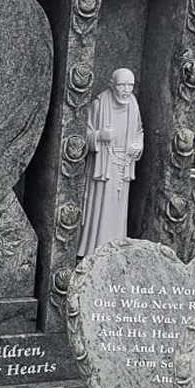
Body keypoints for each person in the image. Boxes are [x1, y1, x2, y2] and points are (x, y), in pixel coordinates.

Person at [76, 68, 143, 259]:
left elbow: (139, 131)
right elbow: (82, 134)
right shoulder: (99, 105)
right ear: (112, 84)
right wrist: (100, 136)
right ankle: (93, 249)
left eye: (130, 85)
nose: (126, 90)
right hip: (103, 166)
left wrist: (137, 146)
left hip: (123, 164)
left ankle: (115, 248)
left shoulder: (133, 104)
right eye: (122, 85)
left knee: (117, 209)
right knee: (100, 207)